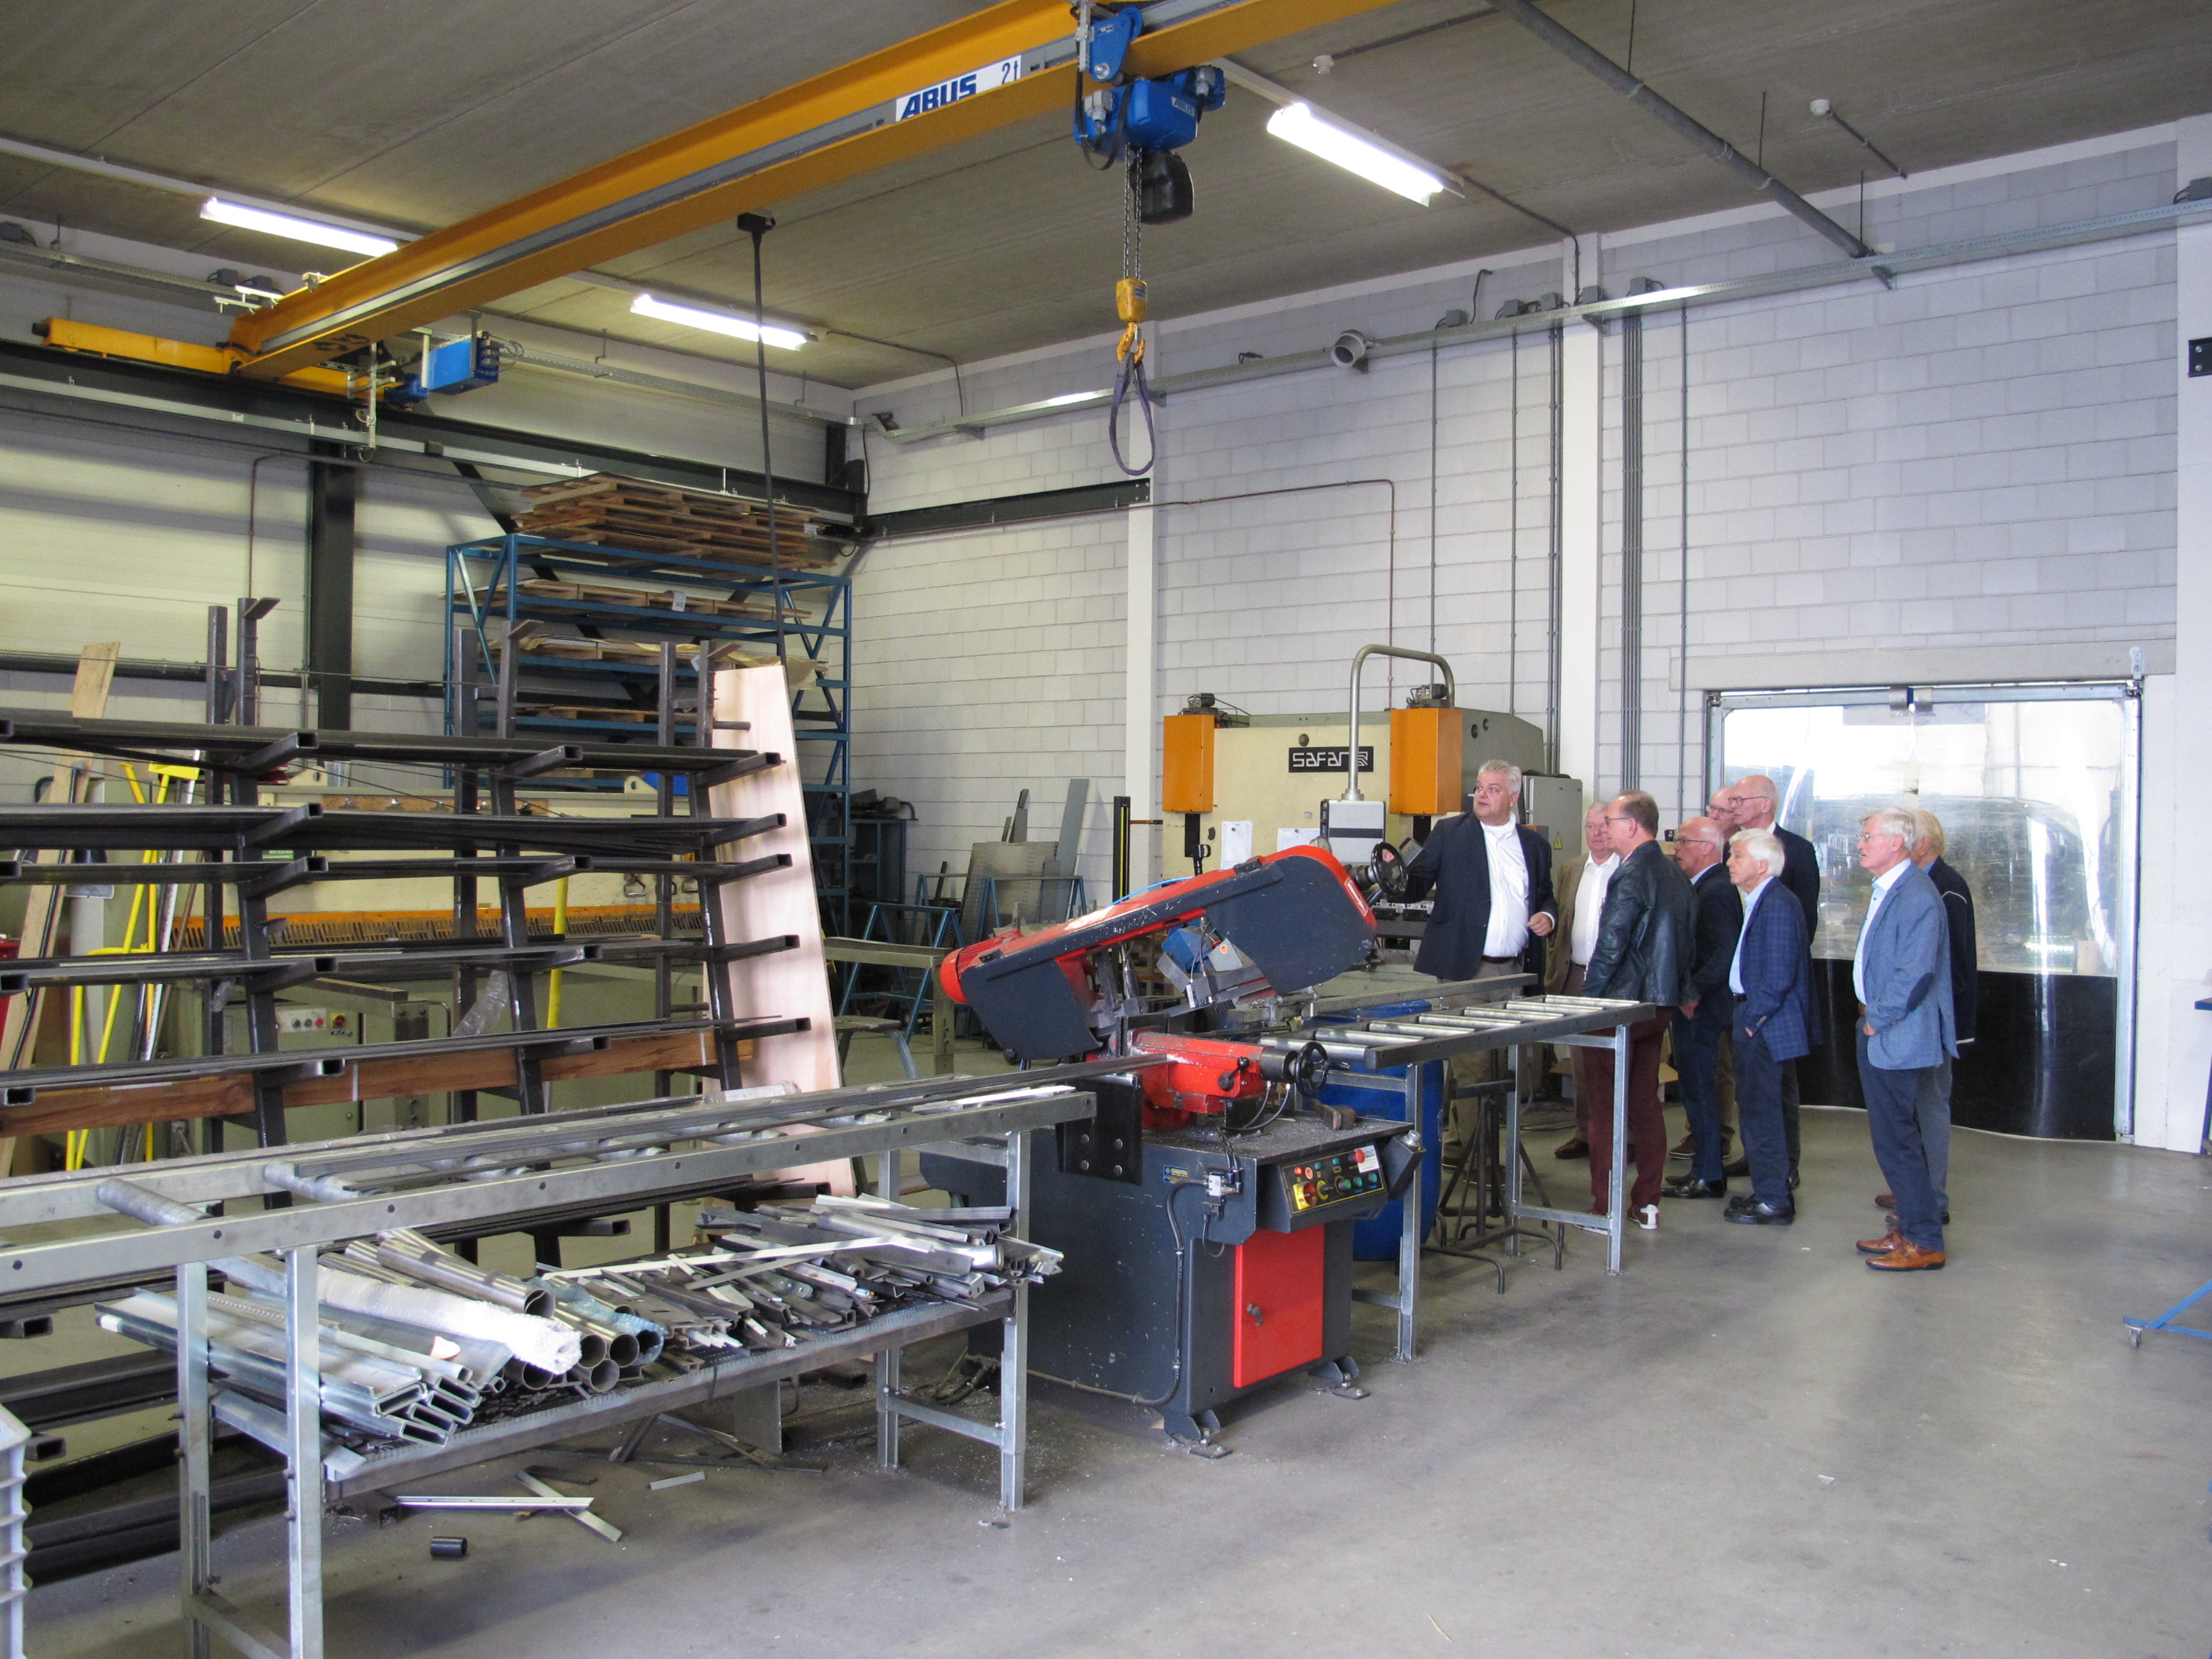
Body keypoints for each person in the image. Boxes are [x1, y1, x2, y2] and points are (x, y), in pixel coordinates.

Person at [1402, 761, 1558, 1159]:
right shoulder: (1451, 833)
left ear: (1513, 797)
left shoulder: (1534, 845)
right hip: (1465, 968)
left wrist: (1548, 915)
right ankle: (1479, 1157)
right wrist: (1391, 874)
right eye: (1479, 787)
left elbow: (1544, 895)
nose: (1481, 795)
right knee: (1473, 1062)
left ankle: (1463, 1143)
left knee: (1499, 1061)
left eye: (1492, 789)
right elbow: (1415, 883)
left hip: (1514, 970)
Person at [1579, 792, 1696, 1229]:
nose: (1603, 828)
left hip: (1618, 1007)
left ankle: (1603, 1206)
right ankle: (1647, 1203)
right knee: (1645, 1104)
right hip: (1658, 1005)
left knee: (1606, 1109)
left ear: (1631, 825)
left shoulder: (1630, 874)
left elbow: (1612, 944)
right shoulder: (1675, 872)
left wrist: (1587, 1003)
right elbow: (1687, 940)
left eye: (1610, 821)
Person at [1850, 807, 1957, 1272]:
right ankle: (1909, 1230)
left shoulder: (1915, 894)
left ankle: (1925, 1240)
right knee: (1891, 1138)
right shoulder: (1891, 888)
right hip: (1882, 1028)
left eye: (1868, 836)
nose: (1860, 844)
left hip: (1895, 1030)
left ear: (1896, 842)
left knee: (1900, 1139)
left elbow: (1916, 971)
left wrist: (1879, 1018)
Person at [1874, 808, 1976, 1224]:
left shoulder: (1942, 889)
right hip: (1911, 1018)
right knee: (1909, 1110)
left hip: (1927, 1022)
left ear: (1922, 843)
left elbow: (1946, 967)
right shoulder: (1915, 886)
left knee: (1930, 1107)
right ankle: (1914, 1190)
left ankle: (1931, 1200)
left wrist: (1932, 1025)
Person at [1722, 774, 1820, 1188]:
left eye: (1740, 800)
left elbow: (1794, 939)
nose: (1733, 807)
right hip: (1749, 998)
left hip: (1767, 1008)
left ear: (1765, 803)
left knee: (1773, 1093)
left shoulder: (1790, 868)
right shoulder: (1745, 868)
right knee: (1755, 1098)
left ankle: (1779, 1176)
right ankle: (1763, 1165)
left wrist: (1756, 1014)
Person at [1664, 817, 1740, 1199]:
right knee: (1694, 1087)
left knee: (1699, 1087)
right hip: (1698, 1003)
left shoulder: (1717, 891)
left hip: (1703, 1008)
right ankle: (1705, 1169)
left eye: (1684, 841)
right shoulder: (1703, 886)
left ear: (1708, 847)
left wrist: (1693, 993)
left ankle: (1709, 1173)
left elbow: (1724, 952)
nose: (1677, 848)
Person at [1545, 802, 1614, 1159]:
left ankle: (1623, 1136)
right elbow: (1561, 918)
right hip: (1576, 975)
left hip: (1615, 981)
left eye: (1604, 826)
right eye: (1591, 826)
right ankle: (1585, 1133)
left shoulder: (1628, 869)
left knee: (1618, 1060)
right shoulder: (1572, 869)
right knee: (1582, 1061)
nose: (1597, 833)